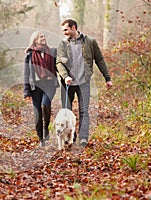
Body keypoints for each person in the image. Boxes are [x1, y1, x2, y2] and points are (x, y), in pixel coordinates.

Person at [56, 19, 113, 147]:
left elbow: (100, 60)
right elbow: (59, 63)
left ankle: (83, 138)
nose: (64, 33)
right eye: (63, 30)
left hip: (83, 82)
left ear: (74, 27)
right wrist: (65, 77)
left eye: (66, 30)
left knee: (84, 111)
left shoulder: (90, 42)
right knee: (66, 111)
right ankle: (70, 136)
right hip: (67, 84)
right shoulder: (62, 44)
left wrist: (107, 78)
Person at [24, 31, 59, 147]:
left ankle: (46, 130)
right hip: (36, 87)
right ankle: (41, 139)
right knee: (37, 113)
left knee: (45, 105)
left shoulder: (52, 51)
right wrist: (26, 91)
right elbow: (26, 74)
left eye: (44, 36)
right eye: (41, 37)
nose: (43, 38)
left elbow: (59, 66)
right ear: (35, 40)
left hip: (49, 84)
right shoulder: (29, 55)